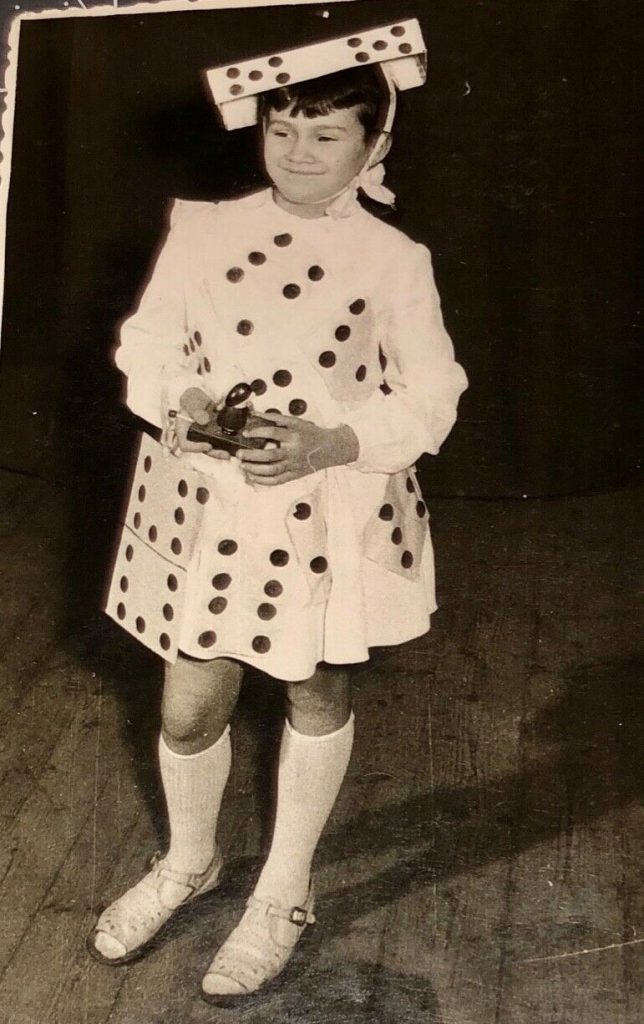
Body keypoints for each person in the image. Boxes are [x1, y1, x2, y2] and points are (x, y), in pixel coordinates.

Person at [88, 19, 468, 1005]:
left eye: (326, 134)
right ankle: (190, 860)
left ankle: (283, 891)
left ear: (373, 144)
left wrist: (330, 441)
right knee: (188, 702)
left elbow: (431, 396)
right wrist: (185, 402)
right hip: (212, 505)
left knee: (314, 691)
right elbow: (147, 346)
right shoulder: (204, 229)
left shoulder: (395, 258)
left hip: (332, 510)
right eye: (282, 129)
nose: (299, 153)